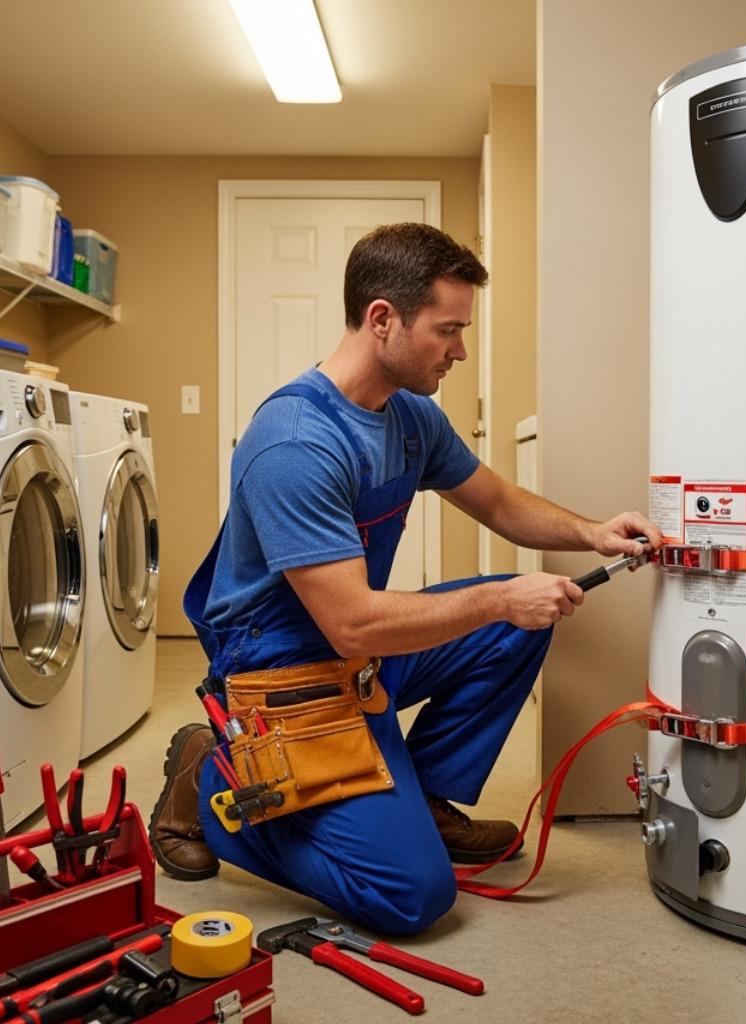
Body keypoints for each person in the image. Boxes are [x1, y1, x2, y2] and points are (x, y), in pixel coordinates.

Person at [150, 222, 659, 936]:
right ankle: (210, 788)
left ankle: (424, 803)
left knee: (509, 632)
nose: (461, 350)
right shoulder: (296, 442)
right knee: (411, 895)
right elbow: (351, 622)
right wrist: (502, 597)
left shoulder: (411, 418)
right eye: (447, 329)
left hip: (356, 653)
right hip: (281, 669)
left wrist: (592, 533)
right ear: (382, 318)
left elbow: (501, 503)